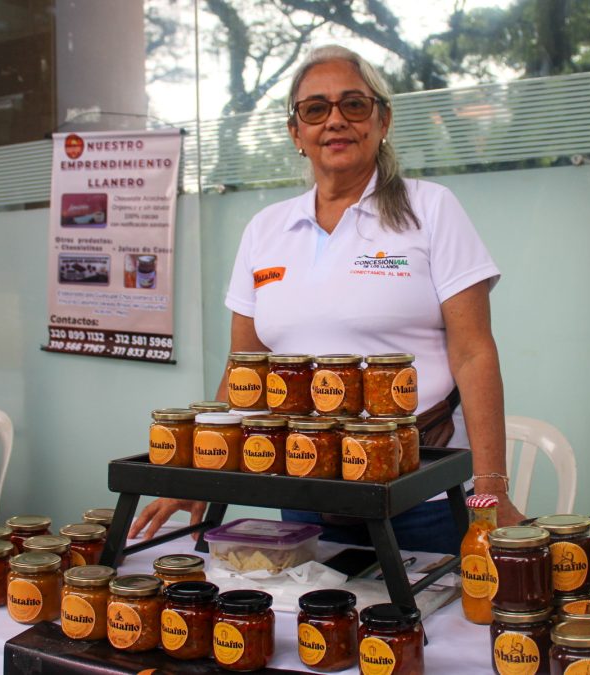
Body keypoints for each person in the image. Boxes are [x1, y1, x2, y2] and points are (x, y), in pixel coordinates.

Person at [131, 44, 523, 551]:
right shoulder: (265, 230)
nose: (335, 121)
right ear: (297, 133)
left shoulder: (431, 209)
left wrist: (490, 492)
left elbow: (473, 353)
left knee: (430, 625)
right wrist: (197, 474)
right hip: (305, 485)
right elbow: (247, 368)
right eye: (316, 109)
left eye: (354, 105)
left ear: (382, 121)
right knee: (316, 625)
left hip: (421, 492)